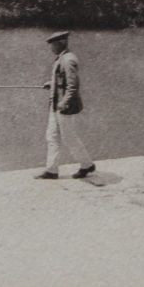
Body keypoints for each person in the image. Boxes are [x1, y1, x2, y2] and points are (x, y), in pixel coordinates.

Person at [35, 31, 96, 180]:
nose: (51, 48)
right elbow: (63, 81)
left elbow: (73, 86)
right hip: (56, 105)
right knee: (52, 136)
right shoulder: (61, 58)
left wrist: (64, 103)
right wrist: (52, 84)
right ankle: (52, 170)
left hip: (64, 107)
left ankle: (87, 165)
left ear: (60, 43)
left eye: (53, 45)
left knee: (69, 137)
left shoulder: (68, 60)